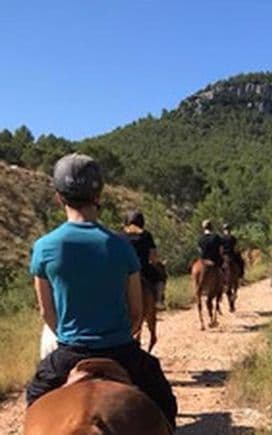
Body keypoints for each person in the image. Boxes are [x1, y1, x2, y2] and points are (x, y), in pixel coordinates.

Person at [26, 153, 177, 429]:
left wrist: (71, 338)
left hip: (69, 351)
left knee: (34, 398)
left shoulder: (44, 247)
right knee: (165, 403)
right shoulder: (121, 247)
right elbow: (136, 312)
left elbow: (47, 312)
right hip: (121, 350)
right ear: (99, 195)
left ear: (59, 197)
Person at [122, 211, 163, 306]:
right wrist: (154, 263)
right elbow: (153, 256)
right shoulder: (146, 235)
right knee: (160, 278)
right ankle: (159, 300)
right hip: (143, 268)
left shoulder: (120, 235)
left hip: (124, 271)